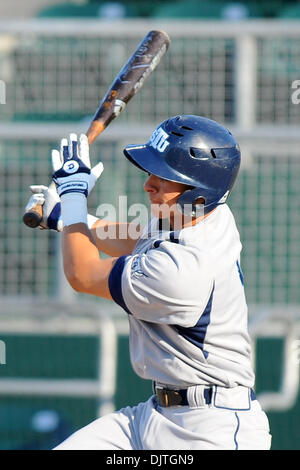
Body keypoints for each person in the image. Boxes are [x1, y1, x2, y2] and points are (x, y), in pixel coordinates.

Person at [25, 115, 272, 450]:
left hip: (210, 432)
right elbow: (139, 239)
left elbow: (81, 273)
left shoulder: (182, 272)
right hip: (152, 417)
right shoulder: (202, 215)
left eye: (166, 177)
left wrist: (73, 195)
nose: (149, 184)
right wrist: (67, 219)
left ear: (197, 192)